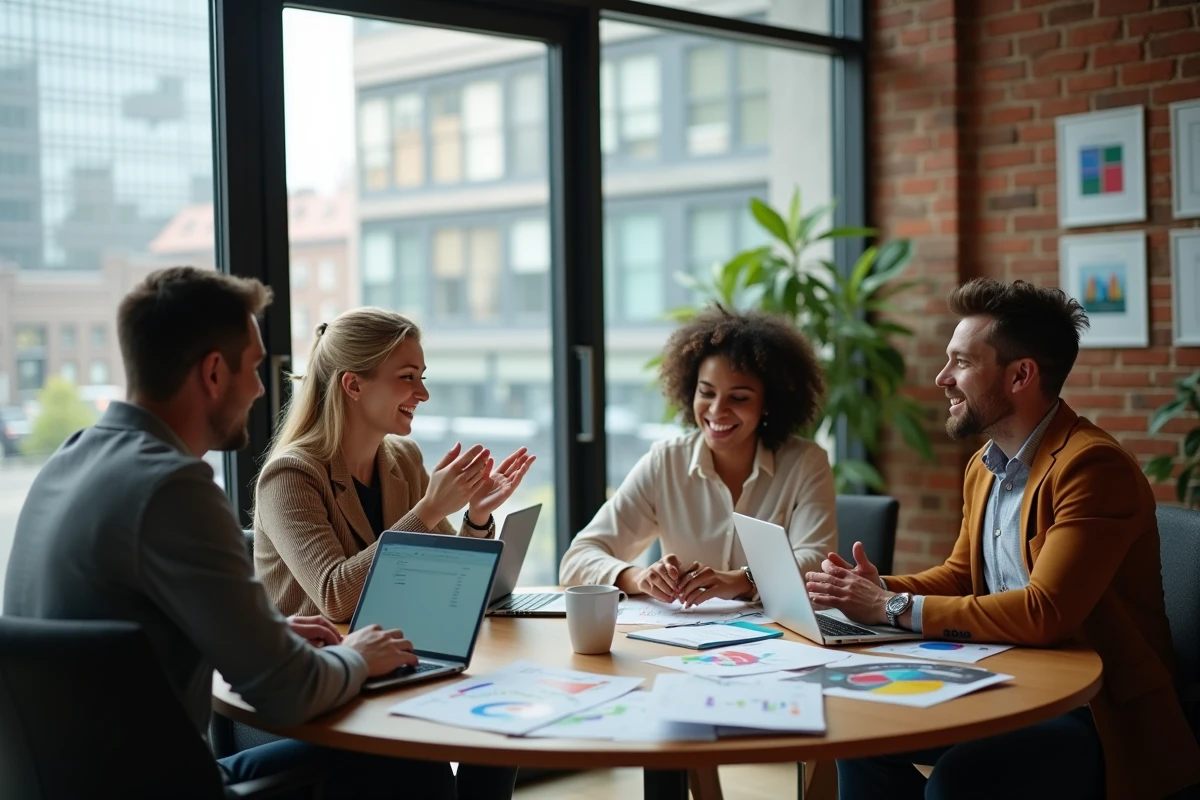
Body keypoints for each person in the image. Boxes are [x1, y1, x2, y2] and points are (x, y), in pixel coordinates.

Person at [3, 267, 456, 798]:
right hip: (170, 788)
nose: (262, 388)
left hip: (76, 785)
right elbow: (290, 693)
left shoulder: (69, 460)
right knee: (408, 759)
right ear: (214, 372)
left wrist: (271, 633)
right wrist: (357, 654)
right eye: (255, 368)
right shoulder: (173, 488)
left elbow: (131, 639)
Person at [806, 278, 1200, 800]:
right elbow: (960, 577)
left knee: (960, 782)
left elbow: (1044, 612)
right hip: (1005, 676)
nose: (943, 377)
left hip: (1092, 711)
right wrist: (868, 592)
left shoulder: (1091, 467)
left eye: (962, 362)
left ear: (1020, 375)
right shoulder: (984, 466)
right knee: (862, 738)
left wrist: (891, 607)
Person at [253, 307, 532, 799]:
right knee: (424, 769)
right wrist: (428, 510)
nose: (423, 393)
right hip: (317, 692)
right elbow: (335, 596)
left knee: (503, 716)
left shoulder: (402, 459)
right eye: (407, 378)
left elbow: (450, 574)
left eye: (423, 377)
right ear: (353, 385)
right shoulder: (291, 476)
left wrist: (477, 517)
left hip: (391, 667)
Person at [560, 307, 836, 607]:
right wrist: (639, 577)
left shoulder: (805, 463)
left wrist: (740, 580)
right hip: (683, 634)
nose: (717, 410)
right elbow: (577, 559)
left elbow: (817, 562)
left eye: (738, 397)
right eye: (706, 392)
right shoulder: (666, 462)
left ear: (768, 404)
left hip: (778, 634)